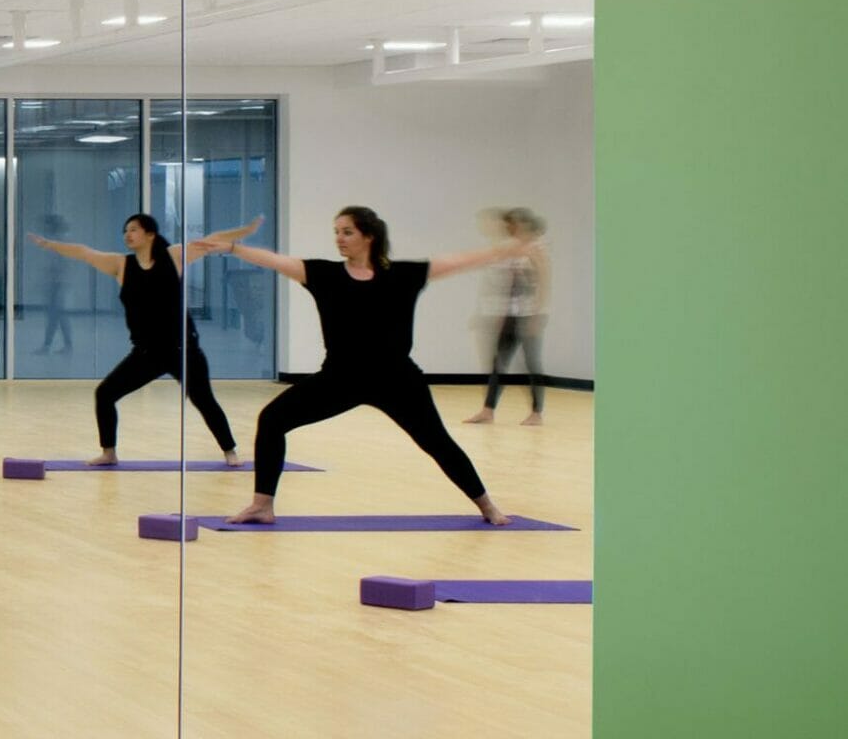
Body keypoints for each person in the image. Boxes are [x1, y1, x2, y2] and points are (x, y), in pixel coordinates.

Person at [196, 206, 530, 525]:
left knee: (437, 442)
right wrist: (232, 247)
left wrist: (504, 250)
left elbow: (458, 261)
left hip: (397, 379)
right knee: (272, 420)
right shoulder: (323, 274)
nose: (339, 238)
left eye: (347, 232)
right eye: (336, 232)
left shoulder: (403, 275)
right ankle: (262, 505)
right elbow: (275, 261)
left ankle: (487, 505)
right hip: (340, 378)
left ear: (368, 236)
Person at [28, 213, 265, 464]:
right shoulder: (121, 265)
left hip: (182, 349)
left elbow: (211, 241)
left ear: (150, 234)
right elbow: (84, 252)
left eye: (134, 230)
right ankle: (109, 452)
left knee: (203, 400)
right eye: (125, 230)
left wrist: (245, 231)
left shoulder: (173, 257)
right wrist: (48, 244)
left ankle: (230, 451)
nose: (127, 235)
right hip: (145, 353)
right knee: (105, 394)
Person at [464, 207, 550, 427]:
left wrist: (537, 315)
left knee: (531, 363)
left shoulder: (536, 248)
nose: (509, 228)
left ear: (521, 224)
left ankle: (536, 412)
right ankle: (487, 410)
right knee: (498, 363)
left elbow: (544, 282)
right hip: (509, 315)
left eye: (512, 224)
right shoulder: (511, 250)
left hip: (529, 314)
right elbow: (502, 284)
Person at [33, 214, 75, 355]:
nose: (45, 228)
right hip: (54, 283)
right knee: (56, 315)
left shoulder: (61, 241)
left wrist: (57, 282)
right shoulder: (53, 241)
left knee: (56, 315)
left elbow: (62, 265)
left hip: (58, 284)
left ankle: (49, 346)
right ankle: (59, 345)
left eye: (48, 225)